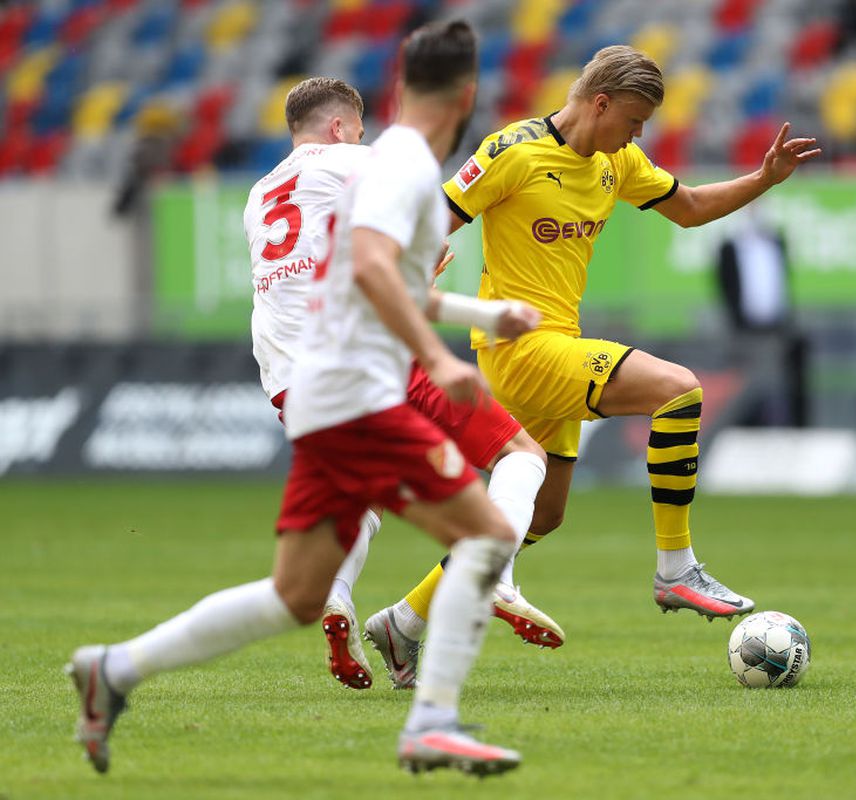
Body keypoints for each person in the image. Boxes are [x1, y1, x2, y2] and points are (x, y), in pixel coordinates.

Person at [69, 20, 535, 776]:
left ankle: (111, 668)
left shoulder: (271, 188)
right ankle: (432, 722)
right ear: (466, 94)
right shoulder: (397, 162)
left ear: (401, 87)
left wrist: (486, 316)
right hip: (358, 385)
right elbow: (375, 272)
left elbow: (364, 274)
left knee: (295, 593)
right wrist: (434, 358)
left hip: (306, 386)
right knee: (485, 534)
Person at [430, 45, 820, 618]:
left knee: (542, 514)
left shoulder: (618, 163)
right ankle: (676, 569)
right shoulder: (512, 151)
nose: (638, 135)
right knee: (678, 389)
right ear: (600, 102)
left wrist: (764, 178)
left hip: (558, 343)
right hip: (516, 346)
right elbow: (438, 217)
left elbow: (687, 208)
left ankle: (408, 620)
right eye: (634, 122)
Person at [243, 76, 561, 693]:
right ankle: (493, 571)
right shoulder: (360, 161)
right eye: (360, 129)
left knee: (357, 499)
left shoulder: (259, 193)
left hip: (288, 378)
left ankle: (338, 597)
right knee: (520, 453)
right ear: (341, 129)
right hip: (367, 356)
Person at [714, 203, 809, 426]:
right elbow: (725, 286)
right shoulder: (730, 247)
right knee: (746, 387)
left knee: (779, 383)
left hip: (776, 328)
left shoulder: (776, 242)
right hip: (745, 332)